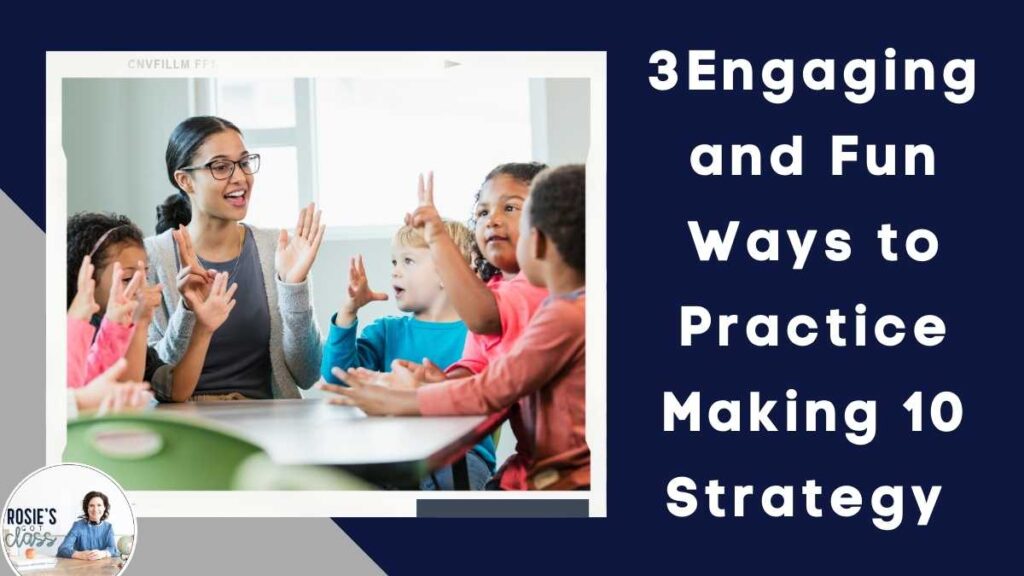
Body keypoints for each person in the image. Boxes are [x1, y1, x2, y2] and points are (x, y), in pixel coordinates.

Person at [322, 165, 590, 490]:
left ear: (537, 242)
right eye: (482, 211)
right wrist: (438, 383)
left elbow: (494, 388)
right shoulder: (561, 307)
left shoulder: (563, 313)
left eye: (513, 211)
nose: (492, 221)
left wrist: (399, 401)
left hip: (567, 480)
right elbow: (484, 375)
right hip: (536, 469)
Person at [146, 116, 325, 400]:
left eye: (244, 163)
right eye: (221, 167)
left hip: (270, 425)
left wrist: (294, 287)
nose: (240, 177)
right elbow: (156, 382)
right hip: (189, 429)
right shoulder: (152, 258)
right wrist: (189, 312)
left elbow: (307, 373)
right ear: (185, 181)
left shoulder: (274, 249)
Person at [320, 221, 496, 489]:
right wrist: (348, 313)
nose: (395, 272)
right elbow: (338, 380)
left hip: (461, 456)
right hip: (391, 450)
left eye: (408, 261)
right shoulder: (386, 331)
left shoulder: (479, 334)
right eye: (394, 262)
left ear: (446, 271)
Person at [56, 491, 120, 560]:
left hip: (102, 568)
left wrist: (103, 553)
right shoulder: (78, 526)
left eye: (99, 505)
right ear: (87, 508)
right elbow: (62, 550)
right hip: (81, 568)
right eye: (91, 505)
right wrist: (79, 554)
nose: (95, 509)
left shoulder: (108, 527)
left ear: (104, 507)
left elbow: (115, 550)